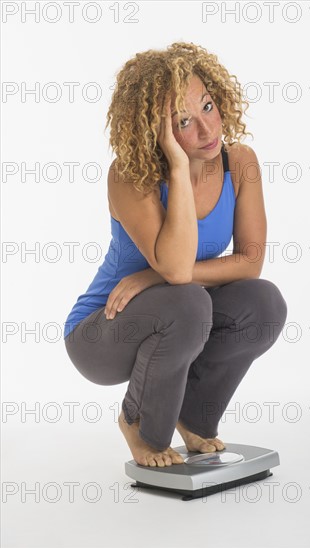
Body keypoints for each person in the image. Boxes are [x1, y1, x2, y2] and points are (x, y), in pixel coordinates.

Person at [64, 42, 288, 468]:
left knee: (263, 302)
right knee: (187, 300)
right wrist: (178, 168)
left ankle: (195, 415)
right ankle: (139, 424)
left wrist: (152, 277)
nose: (207, 130)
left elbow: (249, 262)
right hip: (103, 331)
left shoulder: (239, 163)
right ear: (156, 131)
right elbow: (176, 267)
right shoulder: (130, 175)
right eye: (183, 121)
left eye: (207, 106)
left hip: (179, 313)